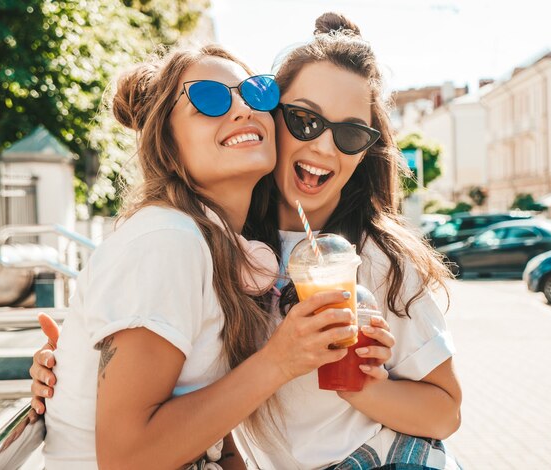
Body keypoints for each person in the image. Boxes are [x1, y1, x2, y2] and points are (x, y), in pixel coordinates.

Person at [31, 12, 461, 469]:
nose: (324, 147)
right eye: (304, 120)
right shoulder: (199, 244)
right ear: (274, 117)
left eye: (350, 133)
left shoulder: (371, 257)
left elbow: (445, 409)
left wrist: (361, 382)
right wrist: (80, 369)